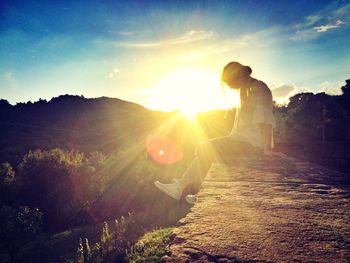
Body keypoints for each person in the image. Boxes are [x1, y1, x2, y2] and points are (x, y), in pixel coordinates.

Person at [154, 61, 275, 204]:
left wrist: (266, 149)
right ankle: (184, 188)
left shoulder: (259, 89)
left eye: (232, 84)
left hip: (253, 143)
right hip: (242, 139)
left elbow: (264, 119)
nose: (232, 88)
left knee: (204, 147)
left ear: (239, 77)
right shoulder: (246, 88)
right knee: (204, 149)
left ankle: (185, 188)